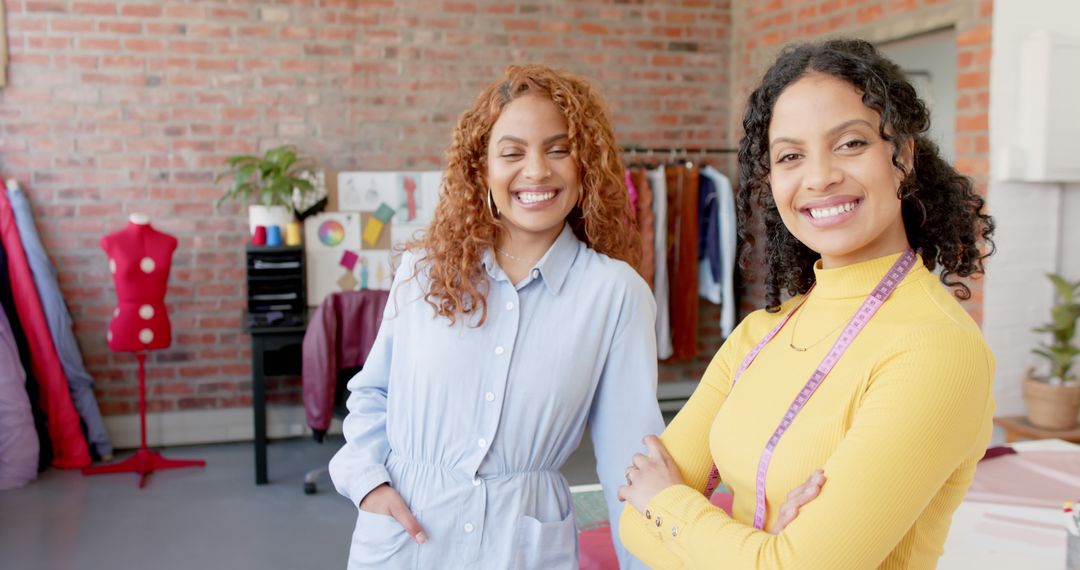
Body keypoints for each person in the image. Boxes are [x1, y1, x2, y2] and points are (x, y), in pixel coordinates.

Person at [618, 38, 996, 569]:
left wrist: (668, 505)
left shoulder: (937, 350)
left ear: (902, 156)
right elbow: (632, 524)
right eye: (791, 155)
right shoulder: (759, 333)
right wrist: (765, 545)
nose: (819, 177)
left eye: (850, 144)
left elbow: (659, 511)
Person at [327, 64, 664, 569]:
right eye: (512, 153)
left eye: (558, 149)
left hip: (522, 550)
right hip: (405, 540)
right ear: (481, 169)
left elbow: (629, 466)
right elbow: (374, 393)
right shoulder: (423, 272)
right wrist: (368, 483)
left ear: (586, 164)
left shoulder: (614, 295)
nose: (536, 172)